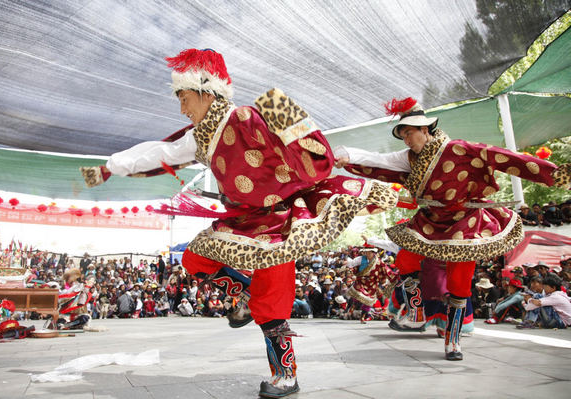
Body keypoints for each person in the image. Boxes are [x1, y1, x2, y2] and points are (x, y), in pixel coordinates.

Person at [81, 48, 397, 397]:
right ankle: (245, 294)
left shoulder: (249, 117)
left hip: (280, 222)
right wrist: (112, 166)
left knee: (272, 306)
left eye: (184, 98)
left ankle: (286, 376)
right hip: (243, 222)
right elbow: (159, 152)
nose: (182, 108)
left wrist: (282, 111)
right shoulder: (198, 137)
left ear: (206, 90)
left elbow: (309, 150)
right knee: (195, 259)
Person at [335, 97, 571, 361]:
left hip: (464, 223)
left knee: (460, 284)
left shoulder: (459, 149)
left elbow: (504, 158)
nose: (407, 140)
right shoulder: (408, 158)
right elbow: (378, 161)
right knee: (405, 260)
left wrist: (553, 174)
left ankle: (453, 340)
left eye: (409, 133)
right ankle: (417, 310)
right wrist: (346, 156)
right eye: (403, 136)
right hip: (429, 221)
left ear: (425, 129)